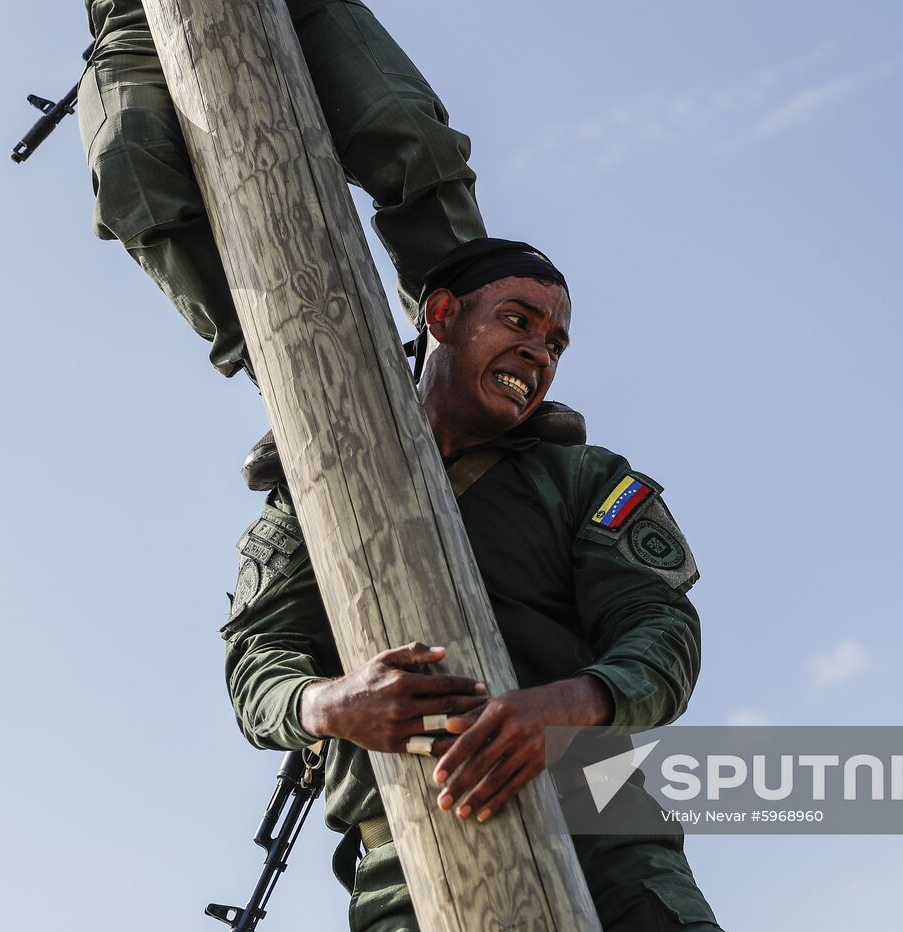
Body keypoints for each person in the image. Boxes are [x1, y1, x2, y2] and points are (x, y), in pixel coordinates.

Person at [222, 239, 723, 931]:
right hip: (406, 849)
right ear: (442, 314)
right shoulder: (317, 489)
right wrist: (332, 703)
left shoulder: (585, 479)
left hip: (604, 832)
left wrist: (565, 706)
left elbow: (662, 635)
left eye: (555, 343)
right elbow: (256, 663)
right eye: (518, 322)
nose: (539, 353)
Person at [77, 0, 486, 378]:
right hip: (135, 17)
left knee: (407, 132)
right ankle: (290, 372)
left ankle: (473, 350)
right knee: (126, 163)